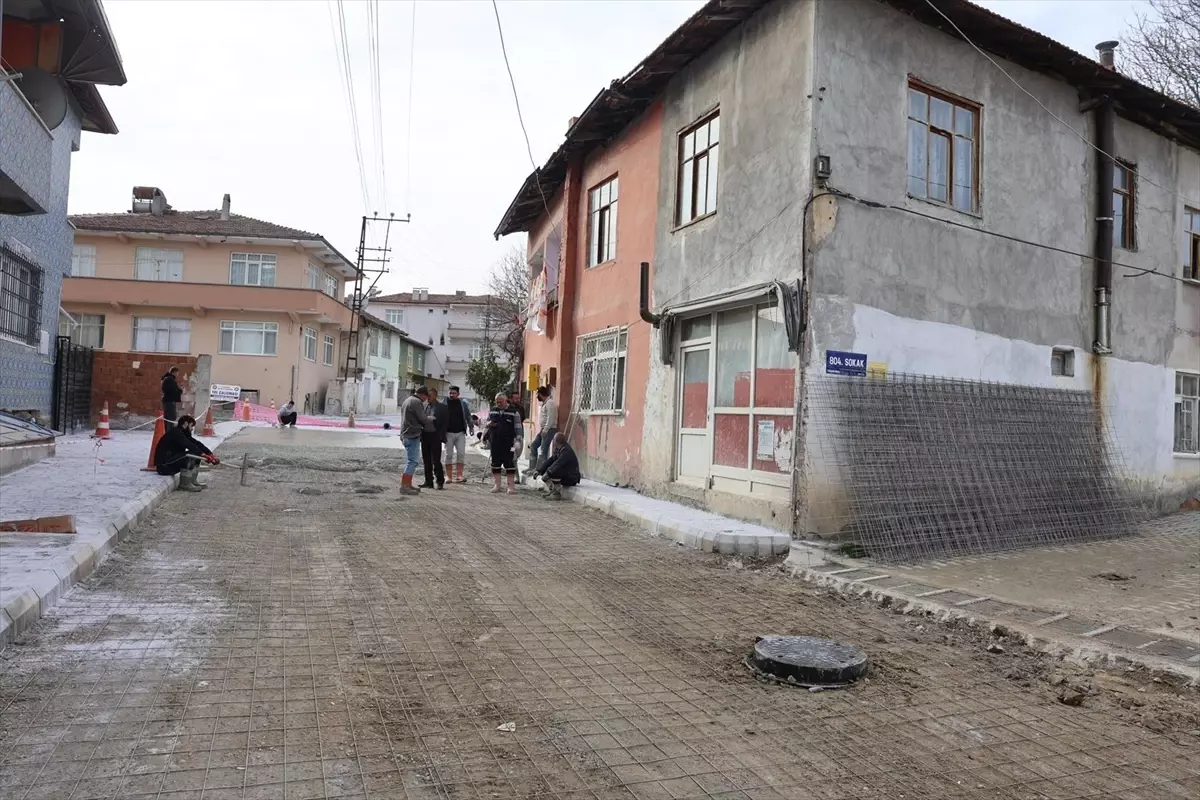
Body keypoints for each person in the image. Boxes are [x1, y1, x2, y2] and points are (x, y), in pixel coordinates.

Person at [154, 414, 218, 492]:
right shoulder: (176, 433)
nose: (192, 429)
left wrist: (209, 454)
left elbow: (196, 443)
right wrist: (203, 454)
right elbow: (188, 444)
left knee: (196, 454)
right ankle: (184, 484)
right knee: (190, 455)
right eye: (191, 426)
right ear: (186, 424)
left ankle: (192, 481)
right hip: (164, 466)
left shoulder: (183, 433)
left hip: (171, 462)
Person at [486, 392, 523, 495]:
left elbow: (518, 428)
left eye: (500, 401)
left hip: (509, 442)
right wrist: (489, 424)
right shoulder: (493, 411)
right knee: (495, 464)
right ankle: (497, 485)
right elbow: (487, 423)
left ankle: (511, 487)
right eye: (497, 402)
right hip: (495, 441)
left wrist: (518, 442)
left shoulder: (514, 412)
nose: (499, 404)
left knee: (510, 464)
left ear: (506, 400)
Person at [398, 386, 430, 495]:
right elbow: (423, 419)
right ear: (423, 394)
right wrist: (431, 418)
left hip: (405, 434)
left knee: (410, 461)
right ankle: (405, 486)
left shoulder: (407, 400)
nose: (426, 399)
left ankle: (407, 484)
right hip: (412, 435)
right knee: (412, 461)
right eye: (426, 396)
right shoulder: (416, 402)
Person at [534, 432, 580, 500]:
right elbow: (551, 460)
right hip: (566, 475)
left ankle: (556, 494)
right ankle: (553, 491)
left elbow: (558, 463)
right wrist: (539, 470)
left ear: (556, 441)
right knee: (548, 470)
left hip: (572, 477)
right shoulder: (559, 448)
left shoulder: (566, 451)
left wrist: (548, 473)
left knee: (554, 471)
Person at [443, 385, 474, 484]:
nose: (451, 395)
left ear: (458, 394)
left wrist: (471, 426)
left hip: (460, 433)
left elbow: (468, 416)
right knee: (448, 455)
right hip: (448, 433)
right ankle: (448, 476)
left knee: (461, 454)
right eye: (450, 393)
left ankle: (459, 475)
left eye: (454, 393)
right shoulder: (444, 403)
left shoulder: (463, 404)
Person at [421, 387, 448, 489]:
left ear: (435, 395)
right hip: (424, 435)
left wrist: (441, 436)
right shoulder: (424, 406)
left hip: (435, 436)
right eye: (427, 395)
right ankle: (428, 482)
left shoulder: (442, 407)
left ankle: (440, 481)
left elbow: (445, 423)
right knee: (426, 459)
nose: (428, 397)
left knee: (436, 460)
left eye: (430, 395)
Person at [528, 386, 558, 473]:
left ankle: (540, 470)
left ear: (541, 394)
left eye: (538, 395)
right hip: (543, 429)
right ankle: (532, 467)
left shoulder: (550, 403)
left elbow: (550, 418)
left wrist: (545, 430)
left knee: (543, 450)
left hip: (549, 429)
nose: (537, 397)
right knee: (533, 445)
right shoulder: (545, 403)